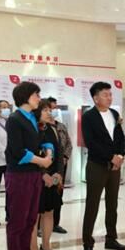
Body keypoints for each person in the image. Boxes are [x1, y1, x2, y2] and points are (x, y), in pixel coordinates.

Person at [4, 82, 52, 250]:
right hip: (19, 175)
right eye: (36, 94)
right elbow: (18, 151)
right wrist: (42, 161)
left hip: (34, 174)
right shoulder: (15, 119)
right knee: (17, 221)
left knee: (31, 219)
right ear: (25, 96)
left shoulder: (32, 117)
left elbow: (43, 141)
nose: (39, 98)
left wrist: (48, 153)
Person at [81, 82, 125, 250]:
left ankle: (111, 238)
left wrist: (120, 156)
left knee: (112, 203)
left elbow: (120, 137)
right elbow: (91, 142)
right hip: (97, 165)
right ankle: (88, 244)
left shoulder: (114, 114)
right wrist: (111, 157)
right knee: (92, 205)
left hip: (114, 167)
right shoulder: (89, 117)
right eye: (105, 95)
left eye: (110, 94)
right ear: (95, 98)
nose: (109, 97)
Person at [29, 100, 63, 250]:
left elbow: (59, 153)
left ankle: (46, 245)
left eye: (50, 110)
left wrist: (58, 174)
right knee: (34, 215)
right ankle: (33, 248)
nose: (49, 113)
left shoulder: (52, 129)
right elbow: (31, 155)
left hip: (53, 178)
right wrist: (43, 174)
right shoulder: (31, 129)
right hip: (36, 177)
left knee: (49, 212)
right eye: (45, 110)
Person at [47, 97, 72, 234]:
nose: (54, 110)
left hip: (61, 165)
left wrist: (65, 157)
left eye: (55, 108)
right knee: (45, 195)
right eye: (51, 108)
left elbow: (69, 143)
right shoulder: (42, 127)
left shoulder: (61, 126)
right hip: (47, 166)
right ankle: (40, 226)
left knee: (58, 194)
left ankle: (55, 223)